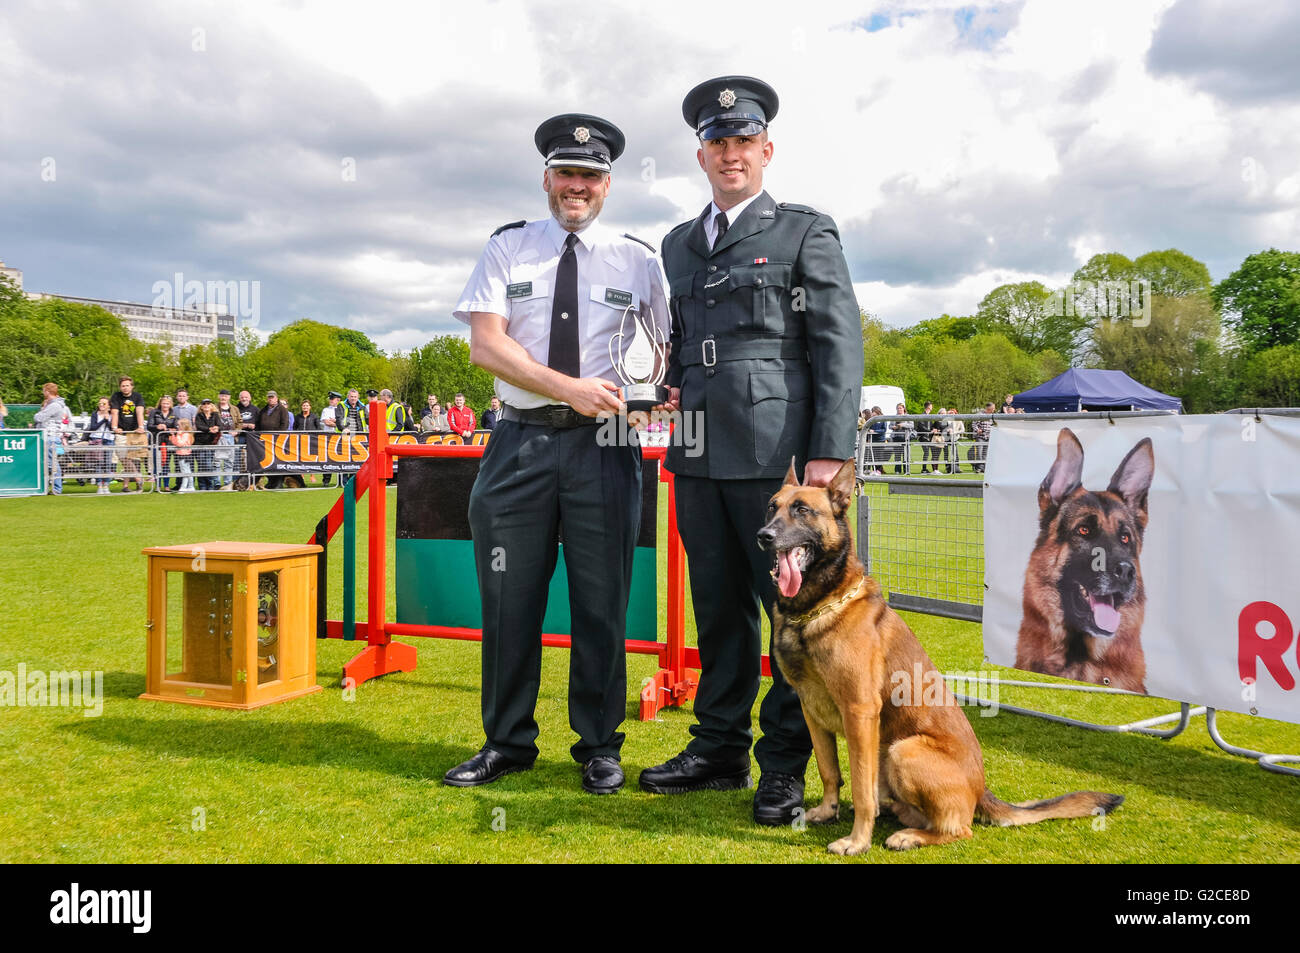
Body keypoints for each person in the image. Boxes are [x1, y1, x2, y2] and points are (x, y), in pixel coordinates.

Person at [639, 77, 864, 827]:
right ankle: (718, 749)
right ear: (701, 153)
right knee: (719, 612)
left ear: (766, 149)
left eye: (744, 141)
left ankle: (784, 768)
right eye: (718, 142)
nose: (731, 153)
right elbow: (676, 344)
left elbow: (838, 344)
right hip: (698, 453)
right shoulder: (675, 244)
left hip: (781, 468)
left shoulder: (804, 231)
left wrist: (829, 452)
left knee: (795, 619)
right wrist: (663, 384)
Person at [445, 112, 668, 795]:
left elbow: (661, 355)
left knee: (602, 603)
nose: (578, 185)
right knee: (509, 599)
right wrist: (567, 388)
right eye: (567, 173)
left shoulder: (640, 258)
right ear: (547, 177)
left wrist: (662, 393)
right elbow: (487, 344)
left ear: (608, 184)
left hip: (606, 446)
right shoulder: (508, 248)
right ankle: (507, 741)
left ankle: (599, 745)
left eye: (591, 176)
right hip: (519, 439)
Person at [110, 376, 147, 492]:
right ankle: (138, 478)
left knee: (133, 459)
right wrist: (115, 427)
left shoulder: (137, 396)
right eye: (123, 386)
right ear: (120, 387)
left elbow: (139, 412)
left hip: (134, 433)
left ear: (131, 386)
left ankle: (126, 486)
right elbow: (114, 413)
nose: (125, 388)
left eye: (127, 385)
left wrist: (141, 427)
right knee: (123, 458)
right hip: (121, 433)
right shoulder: (116, 396)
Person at [34, 383, 69, 495]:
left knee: (52, 464)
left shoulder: (55, 405)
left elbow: (39, 417)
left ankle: (57, 488)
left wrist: (40, 411)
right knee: (50, 464)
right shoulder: (53, 404)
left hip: (51, 437)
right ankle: (53, 488)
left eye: (44, 391)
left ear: (47, 391)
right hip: (49, 437)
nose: (43, 393)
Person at [258, 390, 289, 488]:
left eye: (272, 397)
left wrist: (278, 436)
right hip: (264, 440)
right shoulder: (263, 410)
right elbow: (258, 423)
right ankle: (271, 481)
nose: (270, 399)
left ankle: (278, 482)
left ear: (276, 398)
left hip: (277, 440)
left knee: (278, 462)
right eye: (269, 397)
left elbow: (285, 424)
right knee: (267, 462)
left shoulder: (282, 410)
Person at [85, 396, 116, 494]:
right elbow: (93, 427)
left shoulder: (112, 415)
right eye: (100, 403)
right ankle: (99, 485)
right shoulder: (95, 414)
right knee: (98, 463)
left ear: (109, 406)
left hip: (109, 439)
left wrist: (107, 420)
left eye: (104, 404)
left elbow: (112, 429)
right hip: (97, 439)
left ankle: (106, 485)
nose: (101, 405)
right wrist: (103, 420)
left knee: (107, 463)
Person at [147, 395, 178, 491]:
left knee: (166, 464)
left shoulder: (173, 413)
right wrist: (157, 427)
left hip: (168, 442)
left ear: (170, 404)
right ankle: (158, 485)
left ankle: (167, 485)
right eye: (164, 403)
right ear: (160, 403)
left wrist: (170, 429)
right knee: (157, 464)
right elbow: (149, 426)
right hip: (156, 441)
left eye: (167, 403)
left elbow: (176, 428)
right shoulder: (154, 412)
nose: (165, 405)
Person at [193, 397, 221, 490]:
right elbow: (199, 426)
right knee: (201, 464)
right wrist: (209, 429)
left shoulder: (215, 415)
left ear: (211, 405)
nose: (206, 406)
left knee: (208, 464)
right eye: (204, 404)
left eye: (208, 404)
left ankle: (209, 484)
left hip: (211, 442)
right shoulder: (199, 415)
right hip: (200, 442)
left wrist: (217, 428)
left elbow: (220, 425)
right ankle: (202, 485)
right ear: (201, 406)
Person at [172, 418, 196, 492]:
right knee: (187, 471)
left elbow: (180, 444)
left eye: (179, 425)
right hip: (180, 454)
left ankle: (184, 487)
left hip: (184, 455)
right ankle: (190, 486)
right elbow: (175, 443)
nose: (177, 427)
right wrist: (173, 435)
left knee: (185, 472)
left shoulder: (186, 434)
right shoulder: (182, 434)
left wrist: (178, 435)